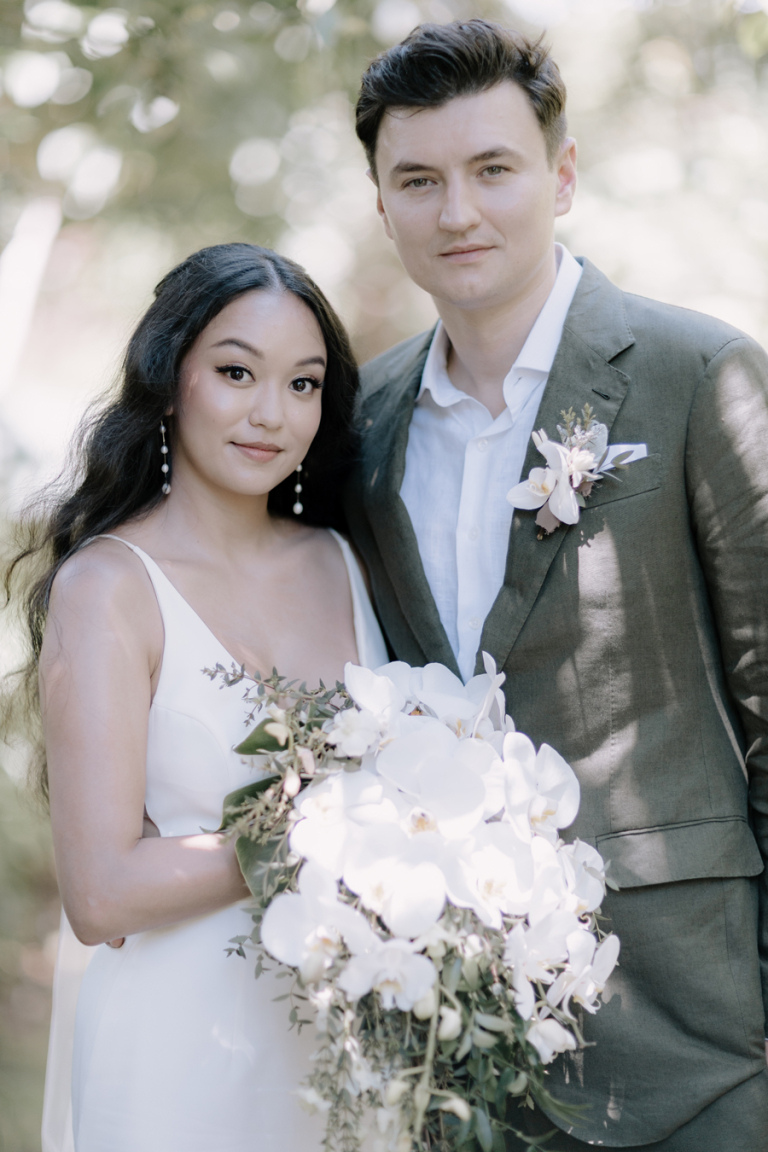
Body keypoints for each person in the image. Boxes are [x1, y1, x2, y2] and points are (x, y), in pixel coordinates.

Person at [346, 20, 768, 1152]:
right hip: (457, 1045)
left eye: (493, 169)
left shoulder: (699, 376)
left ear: (562, 175)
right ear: (382, 205)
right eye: (419, 181)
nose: (458, 213)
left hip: (699, 1032)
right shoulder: (360, 424)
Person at [7, 242, 388, 1152]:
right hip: (176, 1055)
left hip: (333, 1044)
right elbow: (99, 891)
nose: (271, 414)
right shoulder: (109, 587)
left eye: (303, 384)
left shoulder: (340, 560)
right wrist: (318, 835)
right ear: (169, 380)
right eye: (235, 372)